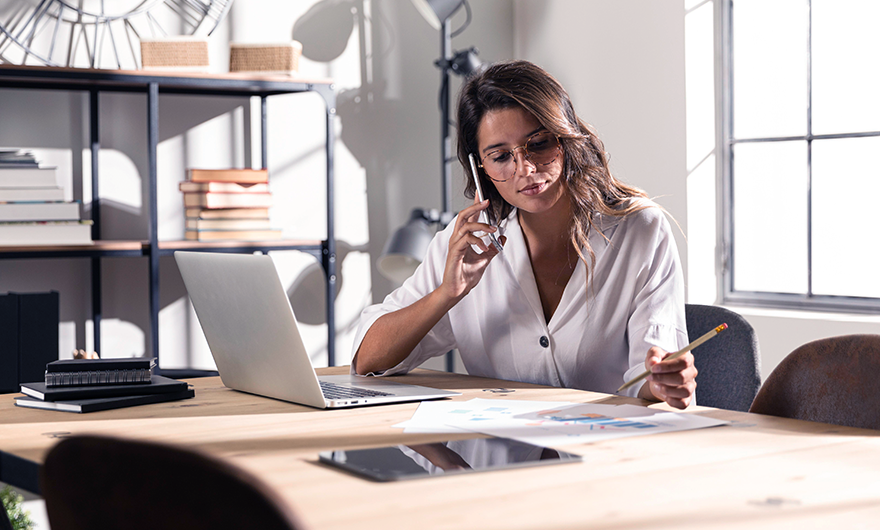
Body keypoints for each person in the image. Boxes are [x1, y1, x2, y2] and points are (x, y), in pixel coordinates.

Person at [352, 60, 695, 409]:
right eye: (501, 156)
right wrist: (447, 294)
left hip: (607, 450)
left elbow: (652, 373)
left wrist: (664, 381)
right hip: (498, 456)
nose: (525, 169)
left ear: (566, 137)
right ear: (480, 168)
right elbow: (368, 361)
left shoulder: (638, 230)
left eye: (539, 143)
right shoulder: (466, 245)